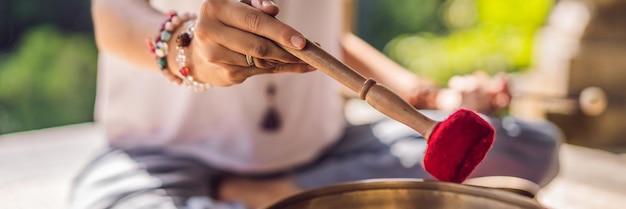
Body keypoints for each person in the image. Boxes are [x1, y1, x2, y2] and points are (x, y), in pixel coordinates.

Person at [71, 0, 561, 208]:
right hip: (166, 159)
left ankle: (277, 196)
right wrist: (188, 48)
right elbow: (112, 16)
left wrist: (433, 98)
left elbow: (335, 37)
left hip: (323, 155)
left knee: (532, 145)